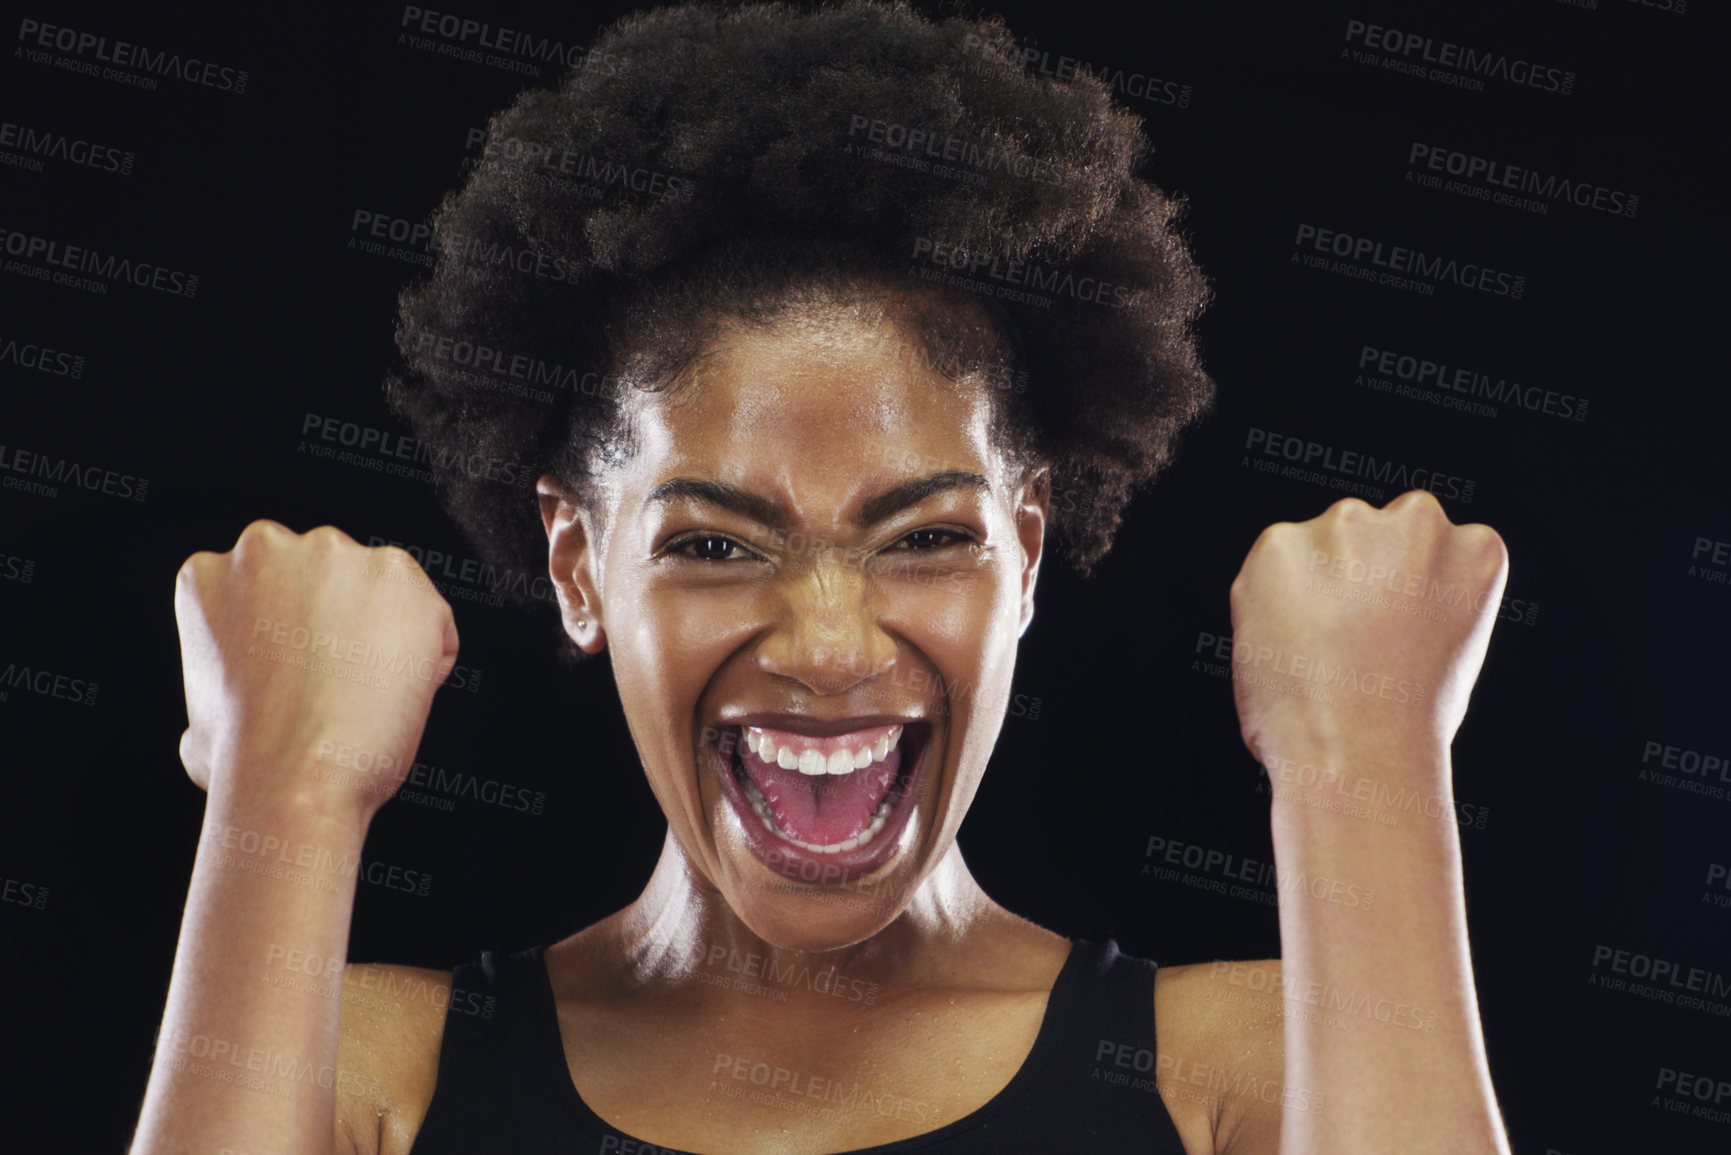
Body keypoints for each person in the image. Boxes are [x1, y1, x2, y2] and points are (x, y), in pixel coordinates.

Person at [132, 3, 1514, 1152]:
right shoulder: (370, 1076)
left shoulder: (1249, 1072)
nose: (834, 643)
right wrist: (288, 789)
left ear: (1025, 553)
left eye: (925, 536)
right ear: (578, 565)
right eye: (715, 544)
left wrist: (1366, 764)